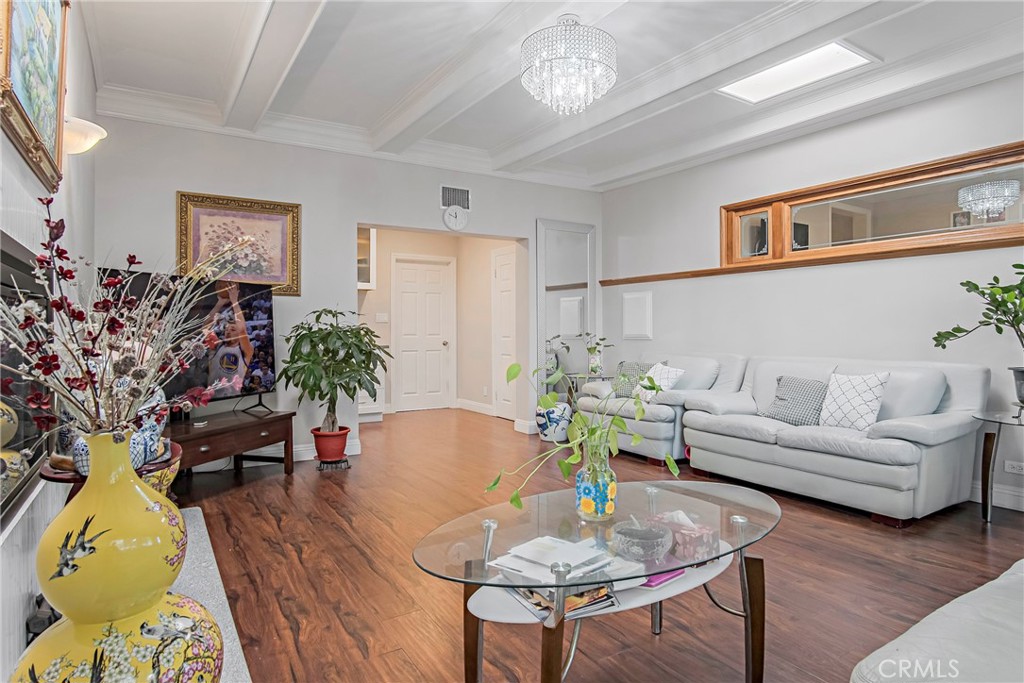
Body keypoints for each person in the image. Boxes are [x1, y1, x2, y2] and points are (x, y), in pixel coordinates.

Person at [205, 281, 254, 398]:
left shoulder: (246, 351)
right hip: (210, 399)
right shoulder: (217, 346)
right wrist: (219, 303)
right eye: (226, 329)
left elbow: (242, 329)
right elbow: (205, 327)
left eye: (232, 329)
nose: (227, 331)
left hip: (233, 397)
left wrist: (234, 302)